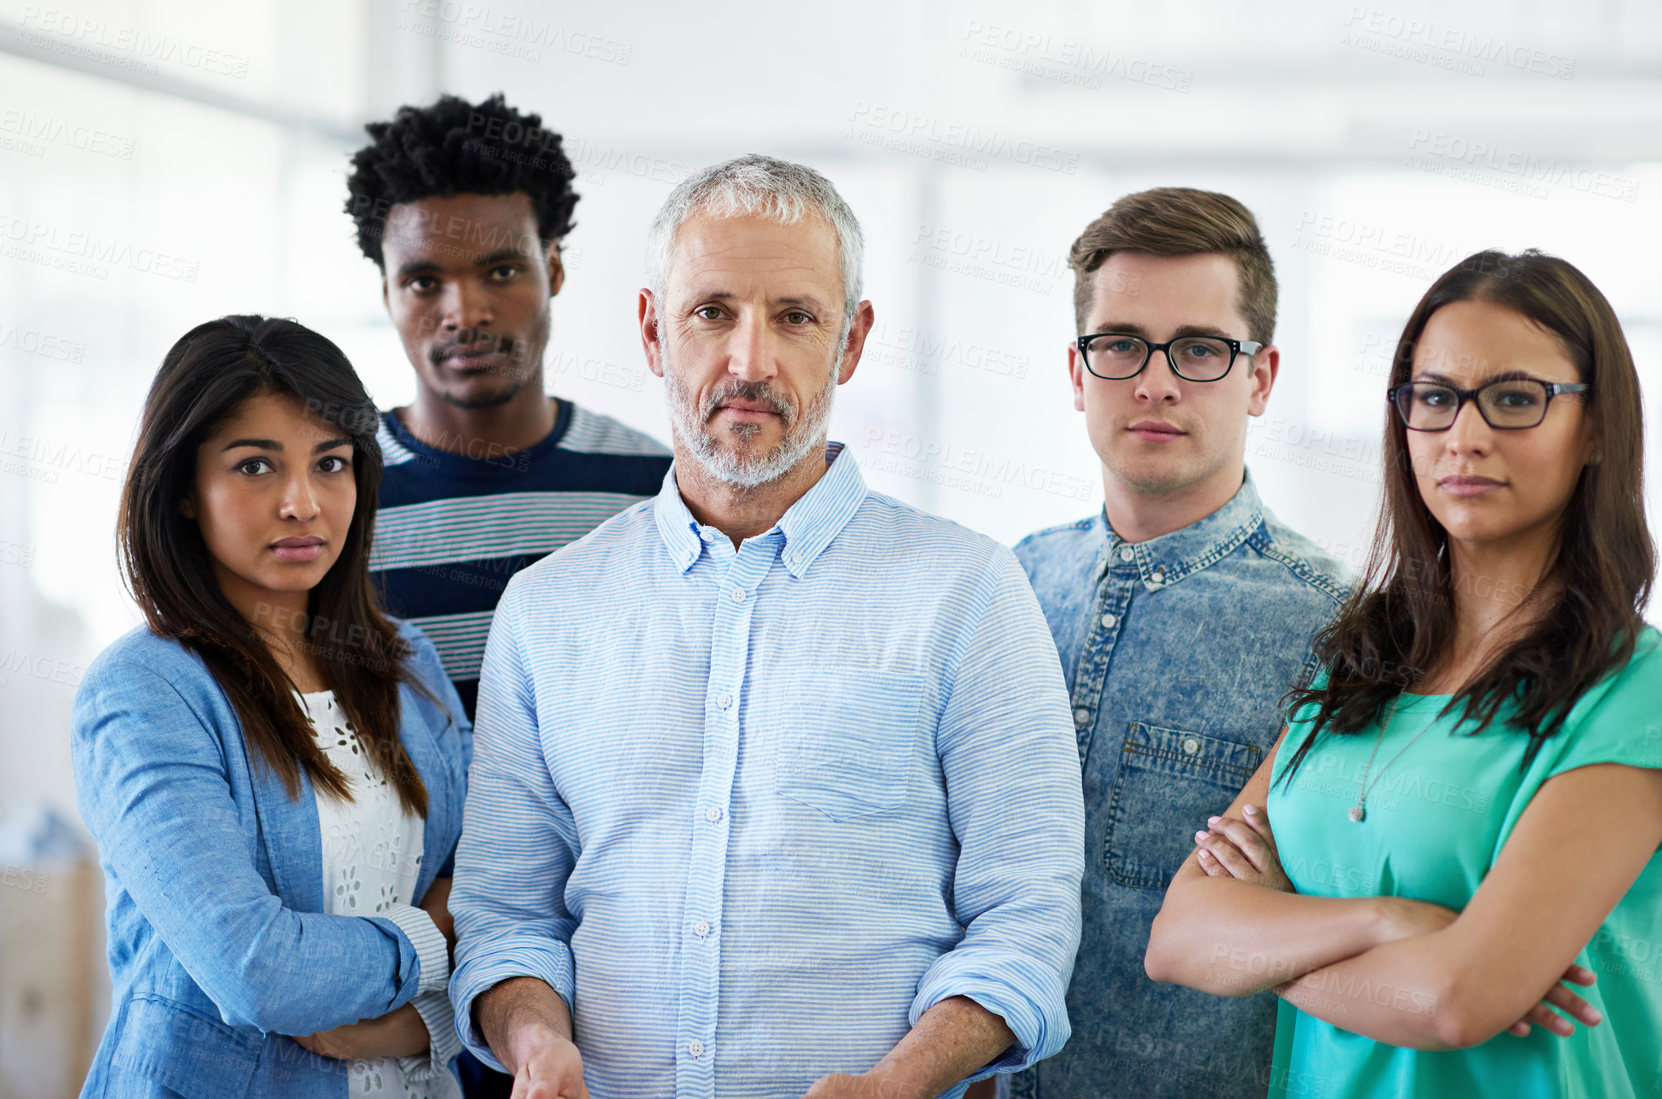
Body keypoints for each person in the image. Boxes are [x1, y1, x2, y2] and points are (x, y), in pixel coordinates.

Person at [446, 154, 1084, 1099]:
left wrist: (901, 1083)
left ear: (851, 341)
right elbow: (504, 920)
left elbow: (1024, 923)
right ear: (654, 331)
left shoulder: (970, 593)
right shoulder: (547, 610)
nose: (750, 362)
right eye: (711, 312)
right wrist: (536, 1041)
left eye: (795, 316)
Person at [1146, 250, 1662, 1099]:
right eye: (1436, 397)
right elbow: (1179, 936)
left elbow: (1458, 1000)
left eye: (1517, 399)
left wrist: (1261, 946)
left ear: (1597, 427)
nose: (1466, 436)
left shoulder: (1636, 687)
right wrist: (1389, 924)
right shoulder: (1359, 660)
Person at [1005, 188, 1350, 1099]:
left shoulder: (1345, 634)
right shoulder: (1003, 592)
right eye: (1120, 343)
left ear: (1261, 377)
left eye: (1199, 349)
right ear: (1079, 372)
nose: (1154, 381)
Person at [72, 315, 473, 1097]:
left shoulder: (407, 664)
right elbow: (257, 970)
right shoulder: (145, 692)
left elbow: (495, 888)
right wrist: (432, 945)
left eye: (331, 463)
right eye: (255, 466)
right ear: (185, 489)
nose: (302, 502)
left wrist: (420, 1022)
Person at [345, 92, 671, 718]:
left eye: (500, 272)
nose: (464, 314)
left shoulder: (656, 494)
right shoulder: (332, 497)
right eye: (423, 282)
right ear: (386, 293)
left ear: (553, 270)